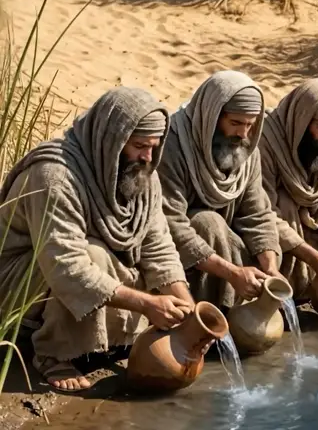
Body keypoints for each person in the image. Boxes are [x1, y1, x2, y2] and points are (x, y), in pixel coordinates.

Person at [0, 87, 194, 392]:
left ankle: (109, 339)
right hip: (22, 283)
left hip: (88, 268)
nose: (148, 157)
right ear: (111, 141)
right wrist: (148, 303)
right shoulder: (54, 176)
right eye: (140, 146)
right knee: (94, 254)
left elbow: (158, 245)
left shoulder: (142, 172)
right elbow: (66, 265)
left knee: (124, 260)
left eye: (155, 147)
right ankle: (53, 353)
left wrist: (188, 307)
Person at [158, 70, 285, 312]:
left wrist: (271, 268)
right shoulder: (172, 146)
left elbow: (257, 214)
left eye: (250, 124)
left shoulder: (247, 151)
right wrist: (233, 273)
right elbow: (170, 223)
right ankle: (207, 312)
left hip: (227, 250)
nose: (243, 134)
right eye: (235, 123)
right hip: (175, 259)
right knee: (208, 222)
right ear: (211, 116)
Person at [258, 78, 318, 303]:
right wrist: (314, 258)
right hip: (273, 237)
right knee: (286, 202)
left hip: (311, 234)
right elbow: (262, 212)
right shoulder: (266, 143)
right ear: (301, 120)